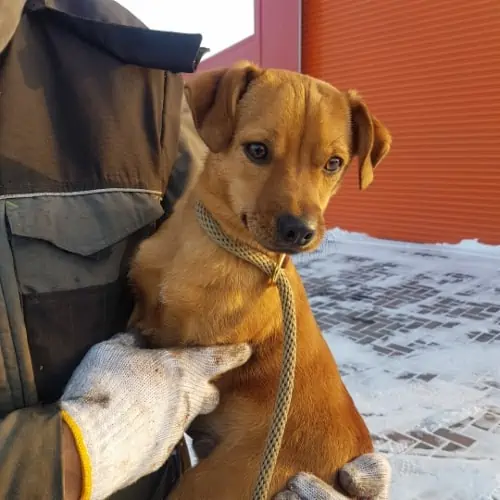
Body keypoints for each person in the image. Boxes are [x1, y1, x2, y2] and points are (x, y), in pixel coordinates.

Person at [0, 1, 391, 499]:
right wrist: (80, 445)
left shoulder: (125, 56)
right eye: (259, 152)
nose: (300, 210)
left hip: (283, 455)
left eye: (330, 165)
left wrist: (332, 452)